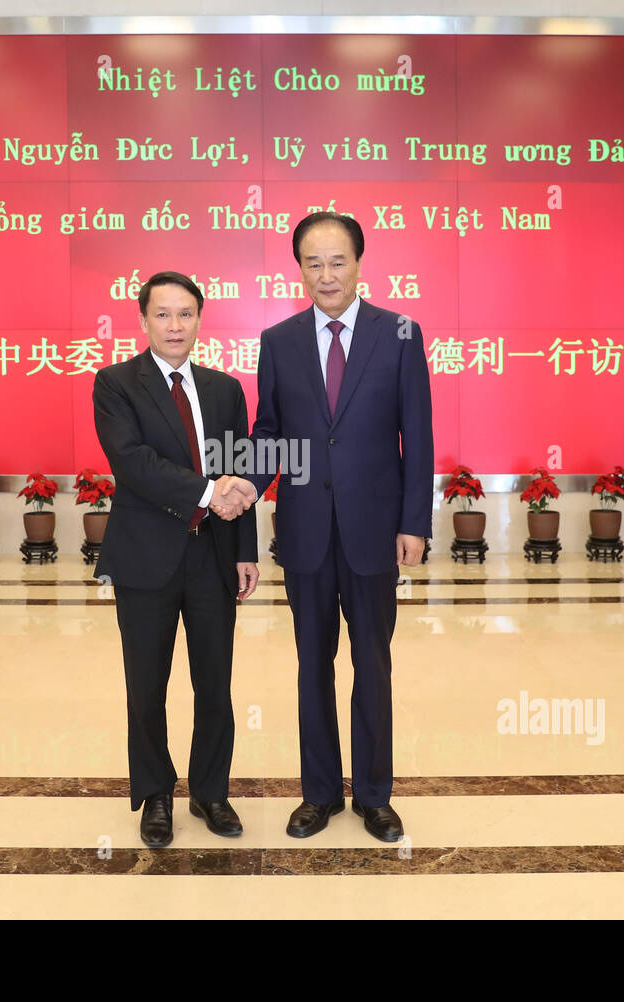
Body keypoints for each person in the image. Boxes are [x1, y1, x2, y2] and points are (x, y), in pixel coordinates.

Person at [219, 212, 434, 842]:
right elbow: (270, 433)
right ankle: (319, 793)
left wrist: (413, 522)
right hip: (307, 531)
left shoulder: (398, 333)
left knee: (372, 663)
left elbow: (415, 434)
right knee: (311, 664)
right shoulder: (279, 340)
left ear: (360, 263)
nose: (326, 274)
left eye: (337, 261)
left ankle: (373, 794)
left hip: (375, 530)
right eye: (313, 263)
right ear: (299, 269)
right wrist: (243, 485)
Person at [92, 271, 260, 848]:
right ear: (143, 321)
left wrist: (245, 550)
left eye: (185, 314)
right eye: (162, 314)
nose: (174, 325)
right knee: (148, 683)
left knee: (215, 681)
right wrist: (208, 492)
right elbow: (132, 462)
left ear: (199, 320)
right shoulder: (116, 383)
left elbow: (240, 472)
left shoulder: (224, 389)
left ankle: (212, 791)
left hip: (212, 556)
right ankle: (156, 794)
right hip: (145, 560)